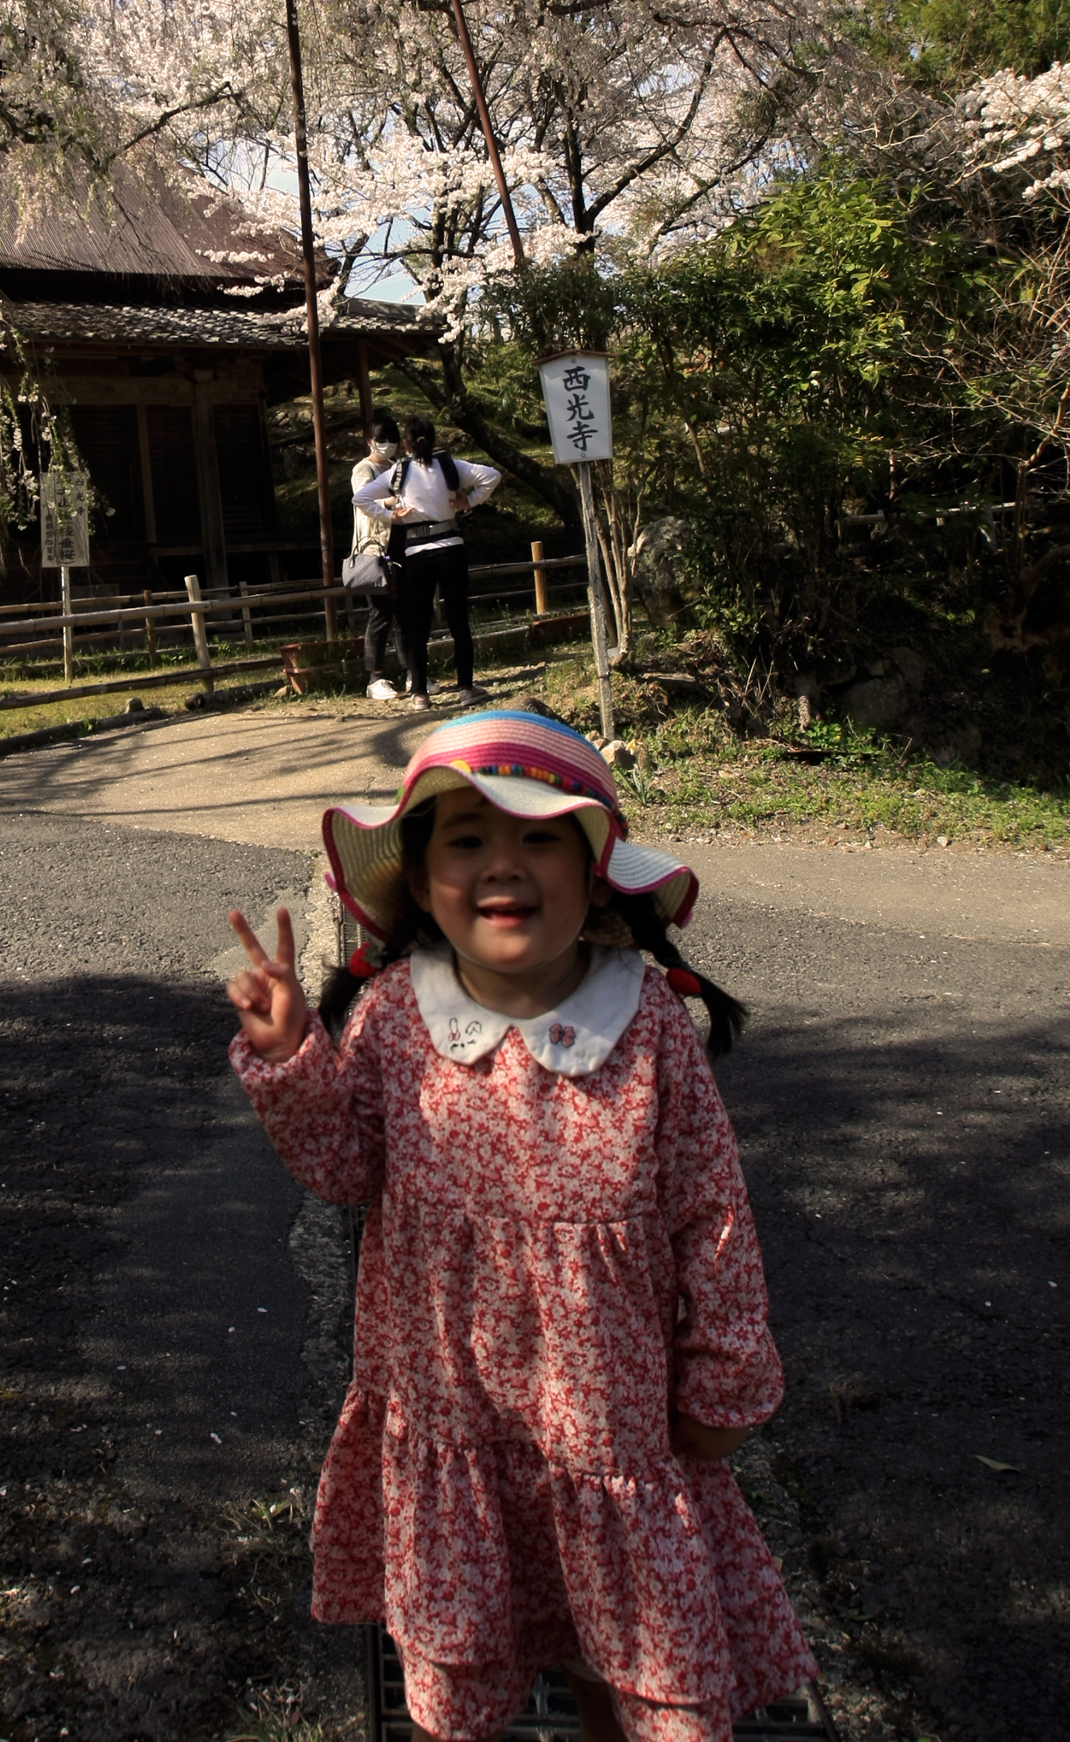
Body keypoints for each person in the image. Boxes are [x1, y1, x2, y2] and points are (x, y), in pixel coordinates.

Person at [225, 708, 815, 1742]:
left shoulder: (649, 1032)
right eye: (466, 839)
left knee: (621, 1653)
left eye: (540, 834)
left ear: (595, 870)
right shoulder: (398, 1016)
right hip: (454, 1423)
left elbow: (712, 1214)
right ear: (418, 880)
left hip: (609, 1427)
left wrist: (726, 1374)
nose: (504, 863)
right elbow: (346, 1167)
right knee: (467, 1666)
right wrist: (292, 1063)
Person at [353, 415, 500, 711]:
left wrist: (391, 516)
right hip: (451, 547)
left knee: (418, 622)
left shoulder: (399, 471)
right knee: (459, 621)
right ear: (433, 440)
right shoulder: (450, 465)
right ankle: (467, 687)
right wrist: (469, 502)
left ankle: (419, 693)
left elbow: (361, 499)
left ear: (405, 444)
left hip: (416, 553)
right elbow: (491, 475)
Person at [351, 414, 404, 701]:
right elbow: (362, 500)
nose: (388, 444)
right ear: (369, 440)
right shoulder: (364, 469)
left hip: (402, 543)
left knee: (406, 611)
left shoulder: (400, 467)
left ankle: (413, 673)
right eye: (381, 439)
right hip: (375, 548)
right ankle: (375, 679)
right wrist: (392, 502)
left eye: (392, 439)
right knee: (380, 613)